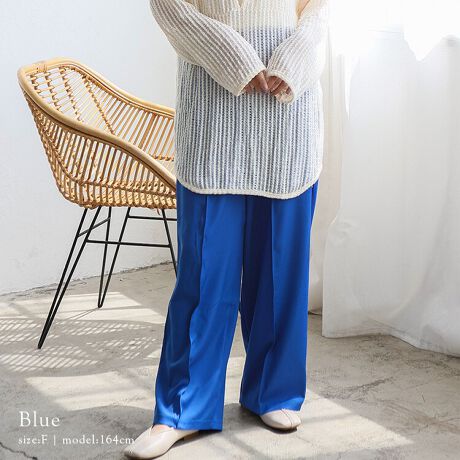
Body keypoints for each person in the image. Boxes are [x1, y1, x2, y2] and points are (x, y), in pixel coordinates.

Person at [124, 0, 328, 458]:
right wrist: (231, 54)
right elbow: (169, 7)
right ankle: (180, 410)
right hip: (213, 112)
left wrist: (297, 54)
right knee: (203, 277)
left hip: (288, 110)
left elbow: (316, 9)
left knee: (280, 270)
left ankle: (273, 392)